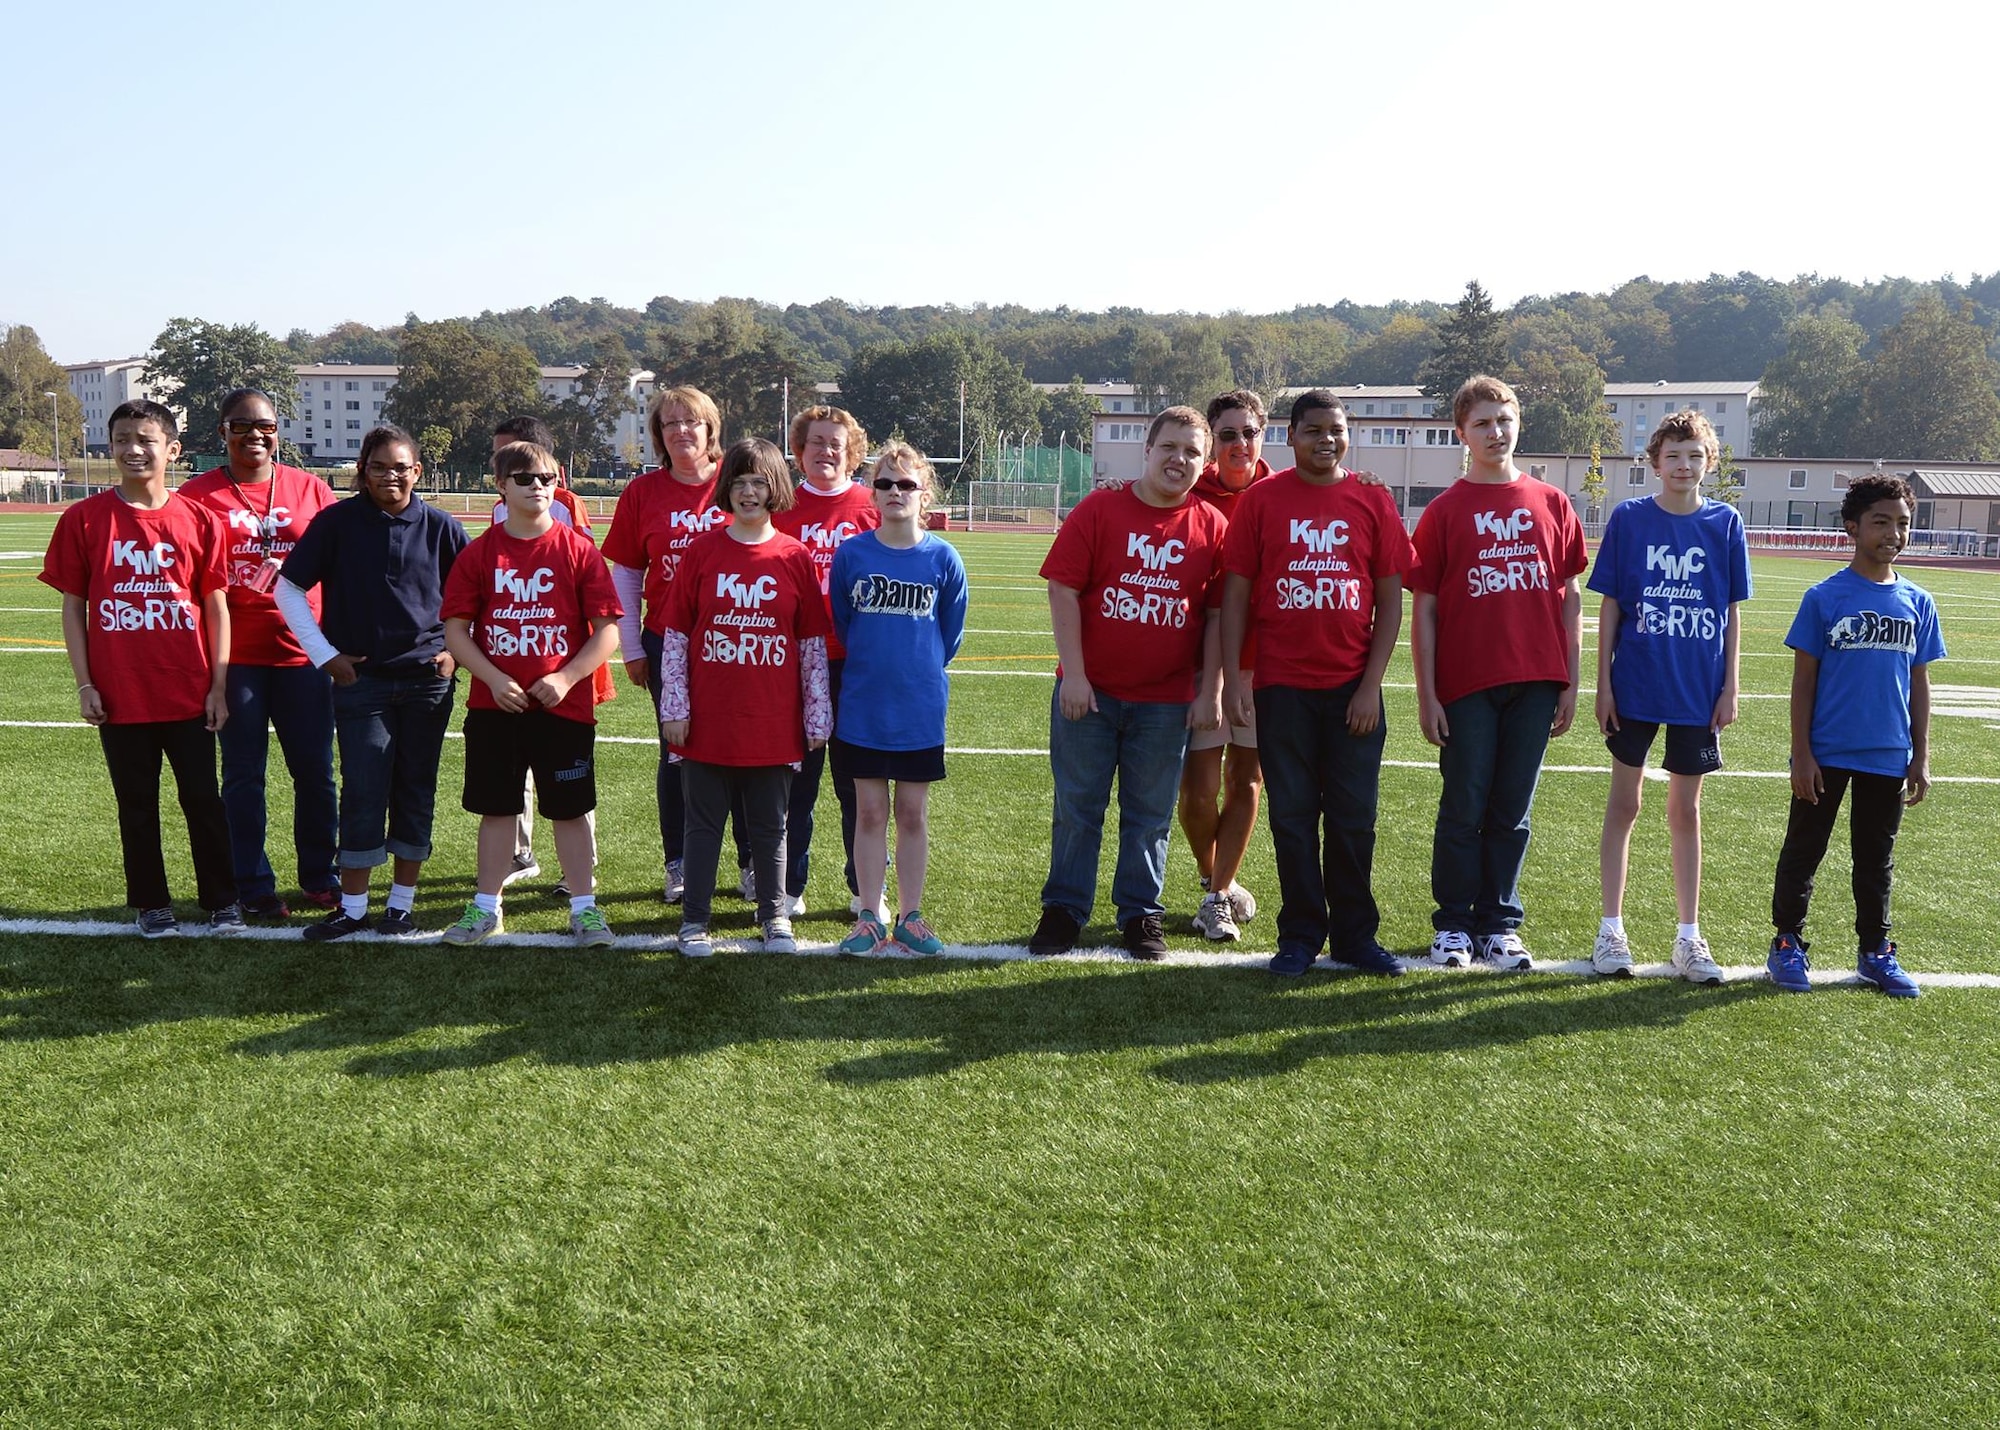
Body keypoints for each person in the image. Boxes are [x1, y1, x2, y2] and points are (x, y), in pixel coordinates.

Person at [1220, 391, 1412, 977]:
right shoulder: (1261, 502)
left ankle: (1356, 936)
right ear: (1291, 436)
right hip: (1283, 690)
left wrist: (1369, 687)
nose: (1325, 440)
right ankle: (1300, 934)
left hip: (1353, 691)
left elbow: (1388, 604)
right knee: (1293, 818)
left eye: (1336, 429)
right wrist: (1234, 680)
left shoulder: (1372, 499)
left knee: (1354, 819)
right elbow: (1235, 597)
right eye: (1313, 430)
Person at [1028, 405, 1226, 960]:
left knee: (1150, 815)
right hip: (1090, 694)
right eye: (1170, 447)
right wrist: (1076, 675)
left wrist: (1210, 688)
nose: (1179, 459)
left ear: (1203, 462)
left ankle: (1141, 913)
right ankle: (1064, 910)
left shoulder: (1212, 526)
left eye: (1192, 451)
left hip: (1166, 701)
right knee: (1077, 808)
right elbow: (1062, 589)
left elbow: (1214, 615)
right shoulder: (1101, 508)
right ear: (1147, 448)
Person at [40, 399, 244, 936]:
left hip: (189, 689)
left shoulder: (200, 519)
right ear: (110, 447)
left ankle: (222, 900)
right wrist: (84, 683)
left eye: (146, 439)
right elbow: (73, 606)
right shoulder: (83, 519)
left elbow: (217, 607)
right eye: (122, 439)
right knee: (136, 803)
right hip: (121, 692)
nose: (133, 449)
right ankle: (152, 903)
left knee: (203, 798)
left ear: (172, 450)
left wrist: (220, 686)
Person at [1409, 375, 1586, 971]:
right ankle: (1453, 924)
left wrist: (1571, 680)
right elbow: (1425, 607)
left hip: (1536, 680)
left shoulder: (1551, 501)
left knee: (1513, 809)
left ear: (1519, 423)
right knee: (1464, 803)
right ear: (1462, 431)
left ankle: (1499, 923)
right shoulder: (1444, 510)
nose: (1495, 432)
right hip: (1465, 683)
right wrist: (1427, 694)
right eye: (1482, 422)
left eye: (1504, 419)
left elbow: (1569, 596)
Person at [277, 424, 468, 940]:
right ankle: (355, 907)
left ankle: (400, 906)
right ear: (361, 470)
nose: (390, 477)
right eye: (379, 467)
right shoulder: (335, 523)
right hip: (361, 683)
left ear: (418, 471)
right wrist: (324, 654)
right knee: (363, 790)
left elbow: (474, 601)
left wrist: (453, 652)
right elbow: (289, 588)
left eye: (401, 467)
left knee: (415, 790)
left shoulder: (442, 527)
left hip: (427, 684)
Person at [1587, 408, 1750, 984]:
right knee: (1624, 805)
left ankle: (1688, 936)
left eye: (1695, 455)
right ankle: (1611, 930)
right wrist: (1602, 682)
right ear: (1654, 463)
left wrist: (1731, 686)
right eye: (1673, 455)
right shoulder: (1630, 520)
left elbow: (1730, 613)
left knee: (1686, 810)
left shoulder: (1725, 523)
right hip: (1635, 684)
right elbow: (1609, 603)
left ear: (1710, 462)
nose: (1684, 466)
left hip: (1696, 691)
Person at [1766, 472, 1943, 998]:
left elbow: (1920, 681)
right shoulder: (1824, 597)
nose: (1893, 533)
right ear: (1852, 527)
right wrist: (1801, 753)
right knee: (1804, 850)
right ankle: (1787, 943)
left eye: (1903, 524)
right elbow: (1803, 681)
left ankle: (1875, 952)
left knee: (1875, 859)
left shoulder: (1918, 601)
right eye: (1881, 522)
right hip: (1828, 750)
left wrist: (1921, 754)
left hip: (1889, 753)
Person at [440, 441, 622, 947]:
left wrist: (565, 678)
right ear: (500, 485)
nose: (537, 485)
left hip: (564, 709)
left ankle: (585, 909)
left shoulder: (579, 550)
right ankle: (485, 907)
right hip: (495, 707)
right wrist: (495, 679)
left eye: (545, 477)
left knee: (570, 808)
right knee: (497, 809)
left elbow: (607, 631)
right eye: (524, 478)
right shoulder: (480, 552)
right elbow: (456, 632)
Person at [659, 438, 832, 959]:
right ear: (726, 489)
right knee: (703, 823)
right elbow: (676, 637)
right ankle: (695, 922)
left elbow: (810, 644)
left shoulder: (794, 556)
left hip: (773, 720)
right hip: (707, 719)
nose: (749, 492)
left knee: (770, 826)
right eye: (739, 482)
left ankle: (774, 915)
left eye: (759, 482)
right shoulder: (702, 552)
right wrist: (675, 707)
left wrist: (817, 712)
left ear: (775, 488)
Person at [181, 388, 340, 919]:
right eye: (241, 425)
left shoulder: (310, 488)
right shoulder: (197, 495)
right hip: (237, 658)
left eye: (266, 425)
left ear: (279, 431)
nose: (255, 434)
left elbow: (338, 568)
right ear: (221, 431)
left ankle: (322, 874)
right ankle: (251, 881)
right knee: (243, 776)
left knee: (316, 772)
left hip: (304, 654)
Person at [601, 386, 741, 904]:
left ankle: (751, 861)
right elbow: (629, 575)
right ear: (658, 435)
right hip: (670, 645)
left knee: (749, 749)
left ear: (711, 428)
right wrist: (632, 649)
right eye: (669, 423)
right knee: (677, 753)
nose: (681, 431)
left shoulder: (738, 477)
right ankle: (679, 862)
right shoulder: (643, 493)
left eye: (691, 421)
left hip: (742, 640)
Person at [829, 441, 968, 956]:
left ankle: (910, 915)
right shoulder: (852, 554)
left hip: (919, 708)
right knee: (868, 812)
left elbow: (948, 637)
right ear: (872, 492)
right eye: (884, 483)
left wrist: (917, 670)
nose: (894, 492)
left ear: (924, 493)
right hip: (863, 705)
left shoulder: (943, 558)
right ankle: (869, 914)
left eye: (905, 483)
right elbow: (845, 624)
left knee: (912, 813)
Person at [488, 414, 613, 899]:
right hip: (512, 669)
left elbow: (579, 571)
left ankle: (581, 867)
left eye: (509, 453)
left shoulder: (565, 507)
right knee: (512, 771)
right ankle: (520, 853)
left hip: (565, 661)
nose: (501, 463)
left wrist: (569, 670)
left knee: (569, 769)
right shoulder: (501, 512)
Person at [772, 404, 880, 916]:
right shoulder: (780, 507)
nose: (826, 451)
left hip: (857, 667)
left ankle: (865, 891)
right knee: (796, 784)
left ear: (852, 452)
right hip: (793, 665)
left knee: (857, 786)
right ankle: (789, 887)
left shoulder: (871, 507)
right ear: (799, 451)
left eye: (836, 443)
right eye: (816, 442)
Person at [1179, 389, 1273, 941]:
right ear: (1212, 439)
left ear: (1265, 435)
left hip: (1265, 663)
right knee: (1195, 792)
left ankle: (1216, 895)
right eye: (1229, 434)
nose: (1240, 443)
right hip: (1202, 663)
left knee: (1247, 781)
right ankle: (1214, 874)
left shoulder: (1285, 490)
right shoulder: (1193, 487)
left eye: (1250, 432)